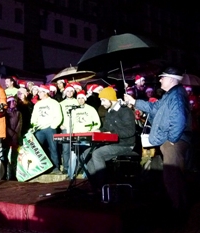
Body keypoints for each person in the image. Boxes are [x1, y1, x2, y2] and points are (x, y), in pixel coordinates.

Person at [124, 67, 193, 215]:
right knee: (172, 176)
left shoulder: (177, 96)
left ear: (172, 79)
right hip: (172, 141)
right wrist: (134, 101)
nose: (160, 79)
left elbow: (179, 119)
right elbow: (154, 107)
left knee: (173, 176)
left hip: (174, 141)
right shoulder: (170, 95)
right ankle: (178, 206)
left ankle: (179, 210)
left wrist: (172, 139)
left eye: (162, 77)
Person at [81, 87, 135, 193]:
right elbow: (106, 129)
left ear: (111, 99)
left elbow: (130, 131)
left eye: (103, 100)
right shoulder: (109, 112)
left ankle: (103, 187)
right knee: (86, 153)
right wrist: (98, 131)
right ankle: (95, 184)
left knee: (97, 154)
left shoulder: (125, 111)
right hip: (112, 143)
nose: (102, 103)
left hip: (125, 144)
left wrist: (112, 134)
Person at [30, 84, 63, 174]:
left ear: (45, 93)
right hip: (39, 130)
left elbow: (58, 116)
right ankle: (41, 168)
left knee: (53, 148)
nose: (38, 94)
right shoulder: (38, 104)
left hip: (50, 129)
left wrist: (53, 126)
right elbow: (34, 116)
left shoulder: (54, 103)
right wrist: (34, 125)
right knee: (38, 150)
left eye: (40, 92)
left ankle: (55, 168)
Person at [59, 84, 79, 175]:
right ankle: (66, 167)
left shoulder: (77, 101)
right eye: (68, 91)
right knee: (66, 148)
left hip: (76, 128)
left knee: (76, 148)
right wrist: (60, 124)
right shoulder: (61, 103)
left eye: (71, 91)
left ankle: (76, 167)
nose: (69, 93)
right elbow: (58, 115)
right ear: (65, 92)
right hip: (65, 128)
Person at [2, 96, 22, 180]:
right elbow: (5, 124)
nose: (14, 103)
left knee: (14, 157)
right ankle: (4, 174)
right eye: (12, 101)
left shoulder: (18, 113)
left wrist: (16, 134)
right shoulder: (5, 113)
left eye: (15, 101)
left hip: (15, 138)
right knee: (5, 157)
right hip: (6, 137)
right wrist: (11, 133)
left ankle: (12, 175)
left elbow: (20, 124)